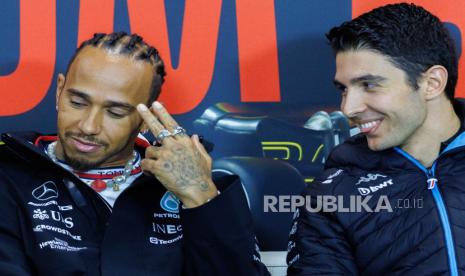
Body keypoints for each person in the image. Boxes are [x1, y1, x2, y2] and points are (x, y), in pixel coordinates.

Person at [0, 32, 268, 275]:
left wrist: (200, 196)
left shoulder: (191, 183)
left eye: (115, 113)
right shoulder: (9, 176)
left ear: (145, 117)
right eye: (78, 102)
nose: (88, 126)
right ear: (59, 91)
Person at [287, 3, 465, 275]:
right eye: (344, 89)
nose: (348, 108)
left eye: (369, 84)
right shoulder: (331, 195)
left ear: (432, 83)